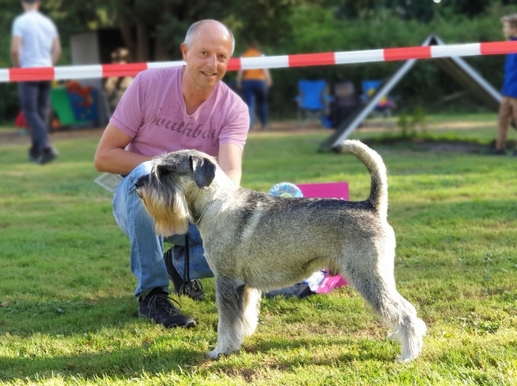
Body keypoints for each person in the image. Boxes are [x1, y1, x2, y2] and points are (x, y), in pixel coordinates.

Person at [94, 20, 250, 328]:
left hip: (195, 209)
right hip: (140, 203)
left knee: (246, 242)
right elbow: (104, 157)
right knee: (146, 175)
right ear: (185, 51)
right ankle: (152, 296)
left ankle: (177, 265)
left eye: (221, 56)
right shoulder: (148, 84)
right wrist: (167, 169)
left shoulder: (234, 109)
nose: (212, 64)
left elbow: (230, 175)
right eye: (204, 53)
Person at [11, 0, 61, 164]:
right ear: (38, 3)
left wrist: (17, 68)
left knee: (29, 112)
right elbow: (57, 50)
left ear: (22, 3)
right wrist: (49, 65)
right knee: (40, 112)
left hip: (28, 71)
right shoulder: (48, 22)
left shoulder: (20, 21)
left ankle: (46, 146)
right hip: (46, 70)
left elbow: (15, 49)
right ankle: (35, 150)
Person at [493, 13, 517, 156]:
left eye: (505, 27)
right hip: (507, 89)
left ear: (514, 28)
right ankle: (499, 148)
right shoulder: (509, 45)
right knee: (502, 120)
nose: (503, 30)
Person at [236, 42, 272, 130]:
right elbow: (264, 69)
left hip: (248, 82)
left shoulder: (244, 55)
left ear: (248, 47)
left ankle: (250, 125)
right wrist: (269, 79)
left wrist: (238, 81)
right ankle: (264, 124)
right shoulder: (260, 55)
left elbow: (241, 71)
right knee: (262, 103)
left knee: (250, 104)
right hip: (260, 81)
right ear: (257, 47)